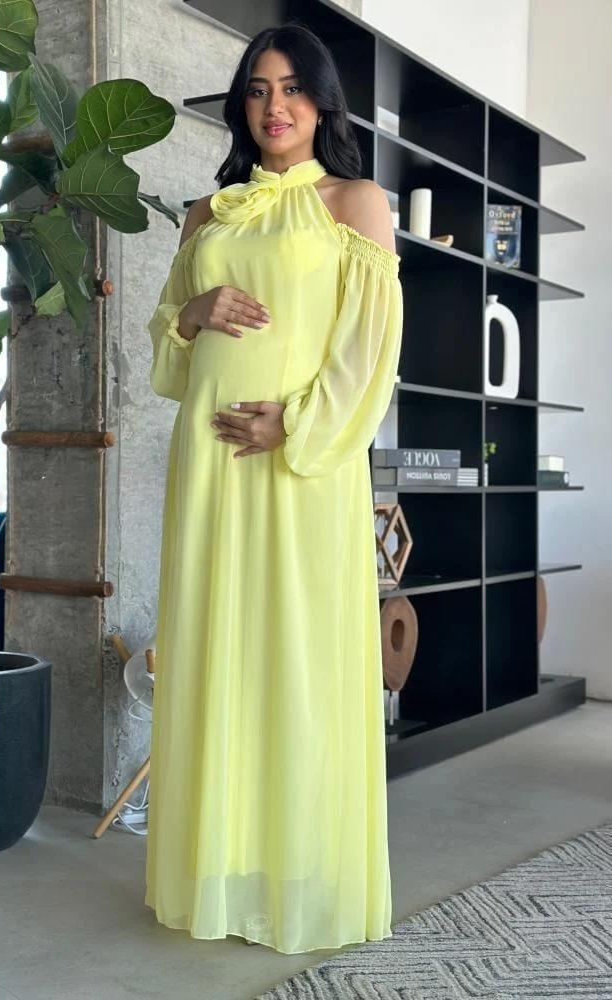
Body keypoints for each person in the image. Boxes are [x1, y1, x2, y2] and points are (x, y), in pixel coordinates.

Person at [144, 22, 403, 955]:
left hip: (303, 469)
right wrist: (192, 311)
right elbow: (169, 356)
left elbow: (370, 351)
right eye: (257, 90)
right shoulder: (207, 216)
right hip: (210, 468)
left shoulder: (354, 203)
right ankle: (218, 877)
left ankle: (304, 882)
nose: (274, 107)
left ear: (322, 102)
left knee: (297, 659)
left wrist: (291, 424)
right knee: (214, 653)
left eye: (292, 88)